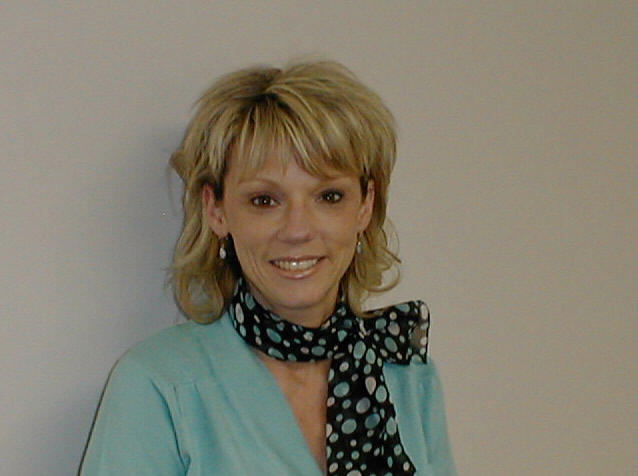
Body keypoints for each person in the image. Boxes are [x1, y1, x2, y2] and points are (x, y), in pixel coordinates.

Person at [81, 60, 455, 475]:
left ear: (365, 205)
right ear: (216, 210)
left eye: (329, 197)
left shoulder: (406, 373)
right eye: (264, 200)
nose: (297, 230)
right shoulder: (160, 385)